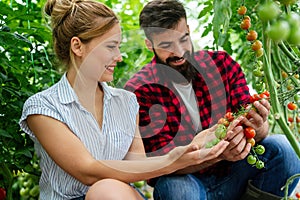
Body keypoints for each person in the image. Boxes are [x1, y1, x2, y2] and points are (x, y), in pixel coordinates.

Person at [18, 0, 240, 199]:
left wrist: (188, 151)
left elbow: (138, 165)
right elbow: (87, 170)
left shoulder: (126, 102)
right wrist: (173, 160)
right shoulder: (43, 107)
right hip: (98, 195)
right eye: (110, 47)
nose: (119, 56)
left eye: (119, 47)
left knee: (108, 190)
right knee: (104, 189)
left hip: (119, 196)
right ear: (78, 46)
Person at [124, 0, 300, 199]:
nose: (179, 52)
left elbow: (254, 128)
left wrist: (258, 127)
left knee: (283, 149)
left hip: (235, 172)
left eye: (183, 39)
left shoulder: (222, 65)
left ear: (189, 30)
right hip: (188, 181)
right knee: (175, 188)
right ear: (150, 44)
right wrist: (216, 153)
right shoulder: (140, 90)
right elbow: (159, 164)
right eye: (167, 45)